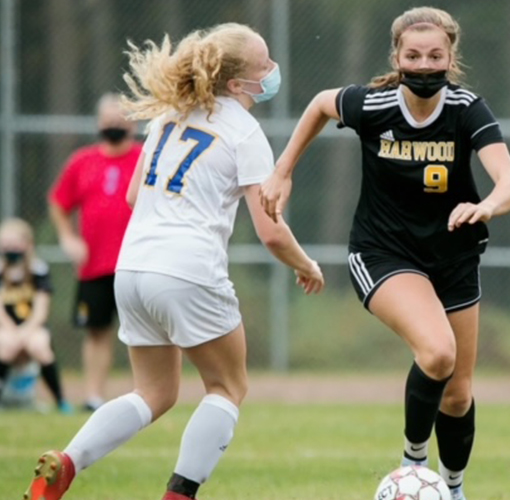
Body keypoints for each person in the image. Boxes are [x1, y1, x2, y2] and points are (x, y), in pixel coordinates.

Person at [25, 22, 324, 500]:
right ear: (236, 83)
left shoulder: (169, 117)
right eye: (263, 66)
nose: (272, 72)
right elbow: (270, 232)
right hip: (188, 269)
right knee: (227, 388)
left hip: (133, 268)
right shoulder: (245, 132)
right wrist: (306, 264)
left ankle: (67, 461)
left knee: (154, 393)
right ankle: (179, 494)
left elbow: (131, 196)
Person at [260, 7, 510, 500]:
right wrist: (283, 169)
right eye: (414, 55)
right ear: (397, 57)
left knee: (458, 391)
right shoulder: (374, 106)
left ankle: (452, 489)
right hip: (384, 253)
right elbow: (320, 104)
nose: (425, 65)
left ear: (451, 57)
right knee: (437, 351)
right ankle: (412, 466)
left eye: (435, 56)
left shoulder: (466, 109)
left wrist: (485, 205)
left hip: (454, 257)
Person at [48, 93, 142, 412]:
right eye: (109, 121)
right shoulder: (82, 162)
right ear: (99, 124)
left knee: (143, 333)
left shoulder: (144, 158)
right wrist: (67, 238)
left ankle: (144, 396)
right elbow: (59, 203)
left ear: (133, 123)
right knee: (96, 332)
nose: (115, 126)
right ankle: (93, 396)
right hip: (95, 265)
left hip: (138, 263)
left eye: (121, 121)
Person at [0, 218, 71, 413]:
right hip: (6, 328)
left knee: (39, 345)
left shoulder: (38, 270)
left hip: (32, 327)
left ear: (27, 244)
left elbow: (41, 311)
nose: (9, 249)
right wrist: (14, 333)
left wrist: (23, 333)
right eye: (5, 245)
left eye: (14, 244)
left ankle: (60, 401)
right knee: (5, 345)